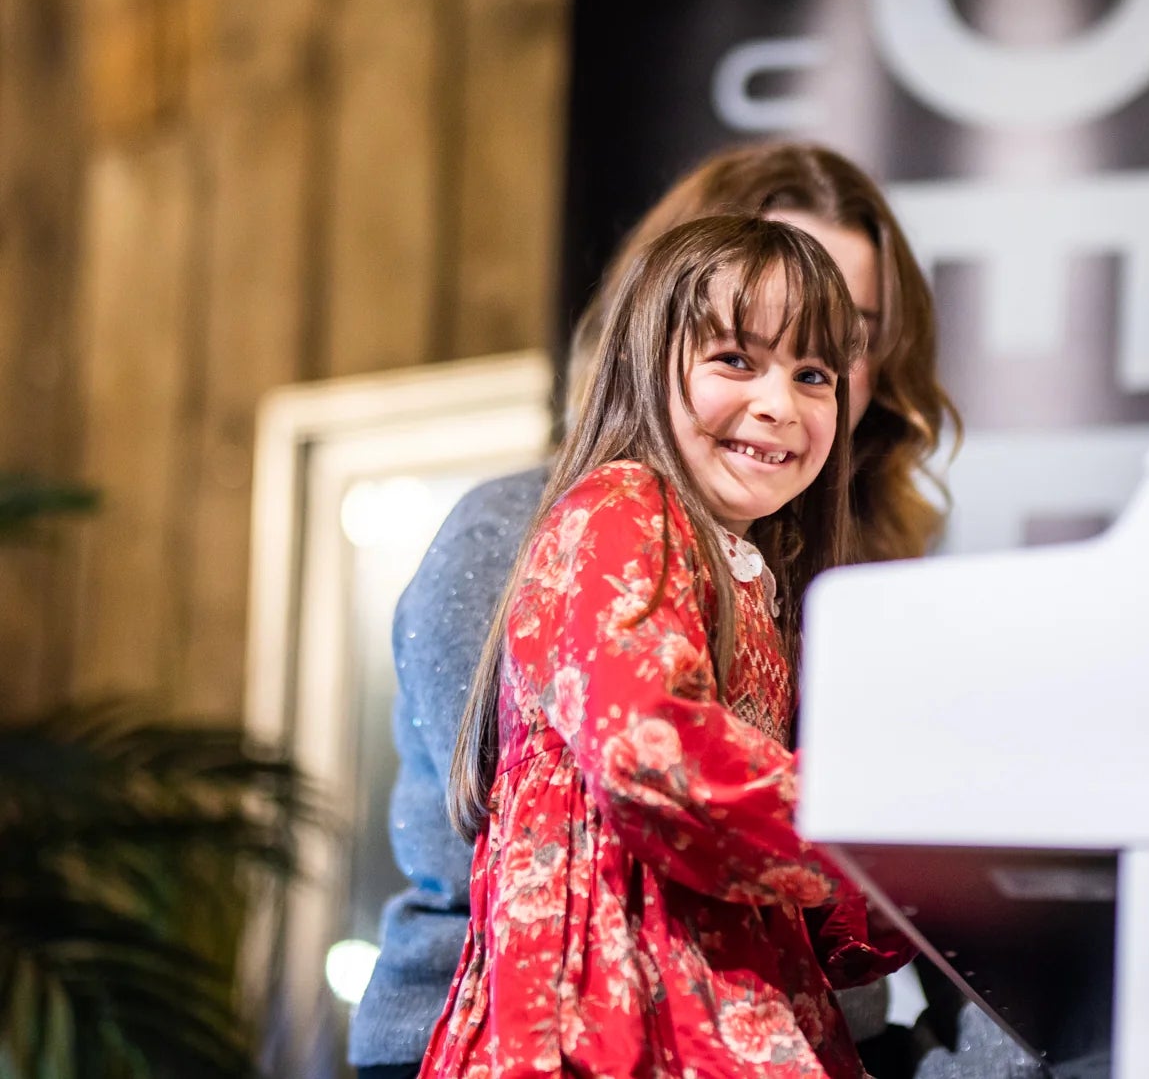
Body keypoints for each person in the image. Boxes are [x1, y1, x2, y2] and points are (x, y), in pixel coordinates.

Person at [350, 142, 959, 1078]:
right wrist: (863, 839)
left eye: (823, 358)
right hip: (597, 1022)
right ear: (651, 329)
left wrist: (916, 879)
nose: (778, 402)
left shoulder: (778, 564)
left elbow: (829, 915)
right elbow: (647, 750)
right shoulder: (609, 514)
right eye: (736, 350)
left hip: (749, 1018)